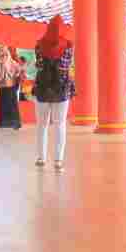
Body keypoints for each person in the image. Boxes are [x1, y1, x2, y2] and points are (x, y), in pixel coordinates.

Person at [33, 16, 75, 171]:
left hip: (42, 87)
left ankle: (41, 158)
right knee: (60, 124)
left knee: (42, 125)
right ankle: (58, 160)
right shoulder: (68, 45)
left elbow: (38, 65)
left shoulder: (39, 44)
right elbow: (65, 67)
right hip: (61, 88)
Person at [0, 46, 22, 130]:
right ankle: (4, 124)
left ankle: (15, 124)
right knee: (3, 105)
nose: (3, 56)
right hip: (2, 86)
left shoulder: (13, 63)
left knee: (12, 105)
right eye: (1, 55)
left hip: (11, 86)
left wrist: (13, 75)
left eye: (5, 54)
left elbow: (19, 71)